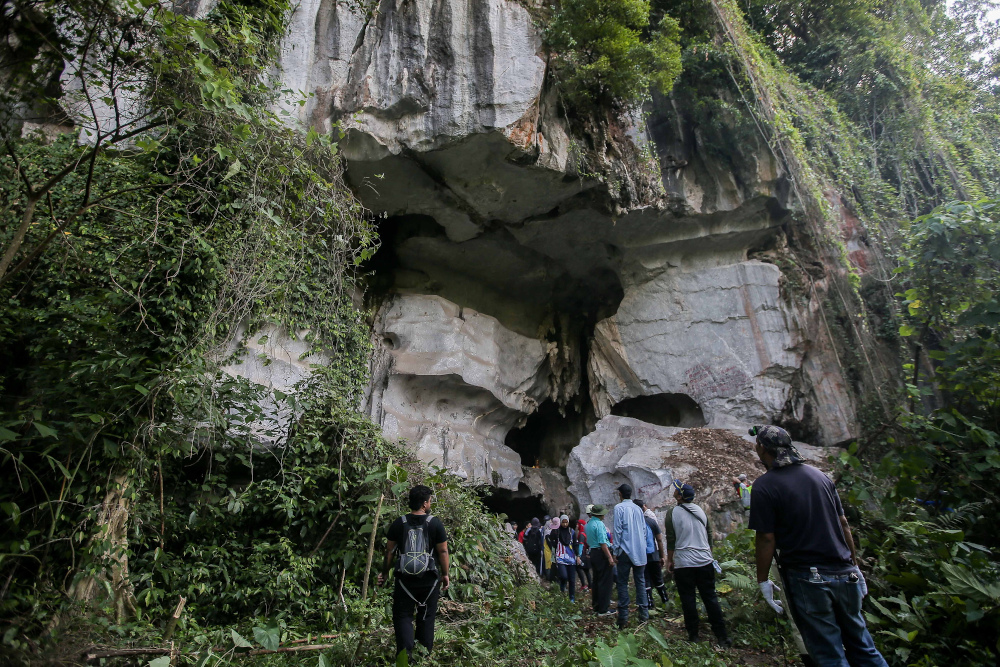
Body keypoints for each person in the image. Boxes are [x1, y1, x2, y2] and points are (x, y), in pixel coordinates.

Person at [748, 424, 888, 667]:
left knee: (828, 653)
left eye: (757, 443)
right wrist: (854, 565)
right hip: (846, 574)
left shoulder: (765, 486)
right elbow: (843, 524)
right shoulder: (820, 476)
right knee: (863, 647)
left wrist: (762, 579)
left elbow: (766, 538)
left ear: (762, 448)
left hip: (808, 578)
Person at [378, 485, 450, 661]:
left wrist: (385, 573)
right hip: (430, 579)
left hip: (404, 580)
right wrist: (445, 574)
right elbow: (442, 552)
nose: (430, 503)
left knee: (403, 615)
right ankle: (423, 656)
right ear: (425, 504)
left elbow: (389, 552)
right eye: (430, 501)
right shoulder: (435, 523)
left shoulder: (399, 523)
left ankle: (405, 657)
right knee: (426, 616)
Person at [665, 480, 731, 647]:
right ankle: (722, 637)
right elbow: (709, 535)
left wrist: (669, 560)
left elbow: (671, 540)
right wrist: (708, 553)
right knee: (710, 598)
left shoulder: (672, 513)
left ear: (679, 496)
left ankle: (693, 636)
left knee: (688, 600)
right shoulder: (701, 511)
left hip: (684, 563)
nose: (674, 491)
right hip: (704, 561)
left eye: (676, 490)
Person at [612, 483, 649, 628]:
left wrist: (615, 551)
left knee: (622, 582)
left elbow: (618, 530)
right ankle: (644, 615)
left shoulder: (619, 508)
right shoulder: (638, 509)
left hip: (625, 550)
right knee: (640, 581)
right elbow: (644, 530)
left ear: (620, 494)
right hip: (639, 550)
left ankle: (623, 617)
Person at [636, 499, 669, 609]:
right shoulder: (651, 521)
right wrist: (662, 556)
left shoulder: (634, 523)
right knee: (658, 578)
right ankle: (665, 601)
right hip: (654, 554)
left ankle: (650, 604)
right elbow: (659, 539)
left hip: (642, 556)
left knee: (646, 580)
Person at [585, 504, 616, 616]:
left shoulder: (588, 524)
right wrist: (610, 558)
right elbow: (603, 543)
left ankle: (596, 605)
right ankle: (603, 609)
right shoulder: (599, 524)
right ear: (599, 514)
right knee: (605, 581)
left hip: (593, 552)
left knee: (596, 580)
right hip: (601, 553)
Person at [552, 515, 583, 601]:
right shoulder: (557, 532)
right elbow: (553, 544)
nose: (565, 524)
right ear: (560, 522)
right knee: (564, 576)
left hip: (571, 558)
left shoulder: (571, 532)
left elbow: (575, 545)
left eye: (566, 522)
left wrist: (578, 556)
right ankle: (562, 586)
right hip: (560, 557)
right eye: (563, 522)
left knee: (572, 580)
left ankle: (571, 598)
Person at [577, 518, 592, 591]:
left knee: (578, 568)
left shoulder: (581, 534)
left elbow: (581, 545)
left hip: (583, 554)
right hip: (587, 554)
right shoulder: (586, 533)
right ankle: (590, 585)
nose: (577, 526)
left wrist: (578, 555)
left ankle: (583, 584)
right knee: (587, 570)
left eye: (578, 524)